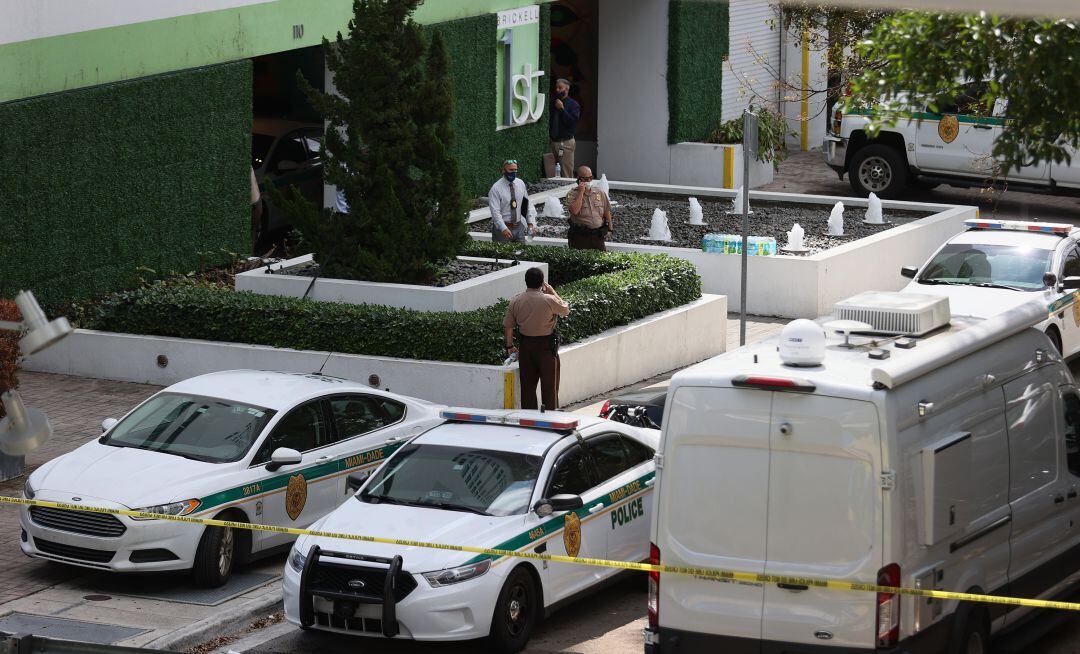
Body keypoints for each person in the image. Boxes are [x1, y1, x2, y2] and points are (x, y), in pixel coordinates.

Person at [504, 268, 570, 410]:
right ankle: (550, 418)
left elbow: (508, 326)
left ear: (526, 282)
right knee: (549, 387)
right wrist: (553, 292)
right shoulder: (549, 299)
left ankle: (529, 418)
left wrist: (510, 346)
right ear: (542, 282)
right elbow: (565, 310)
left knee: (527, 388)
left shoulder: (516, 300)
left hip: (526, 346)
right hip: (546, 347)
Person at [488, 159, 537, 242]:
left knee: (521, 253)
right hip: (502, 230)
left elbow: (526, 205)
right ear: (503, 170)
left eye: (515, 170)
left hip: (519, 227)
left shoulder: (520, 183)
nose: (513, 172)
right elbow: (495, 212)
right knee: (503, 255)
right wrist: (503, 228)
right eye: (510, 170)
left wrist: (530, 224)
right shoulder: (496, 188)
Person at [565, 165, 613, 251]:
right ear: (579, 179)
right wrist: (581, 192)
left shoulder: (599, 192)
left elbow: (606, 211)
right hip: (580, 235)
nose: (590, 181)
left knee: (601, 261)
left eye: (591, 177)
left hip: (598, 235)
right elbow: (574, 211)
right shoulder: (572, 194)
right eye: (586, 179)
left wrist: (610, 229)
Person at [549, 78, 580, 176]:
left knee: (566, 172)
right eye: (556, 88)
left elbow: (572, 122)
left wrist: (562, 109)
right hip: (553, 142)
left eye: (560, 88)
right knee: (552, 172)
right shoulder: (552, 103)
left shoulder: (573, 105)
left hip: (565, 143)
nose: (557, 90)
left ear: (567, 90)